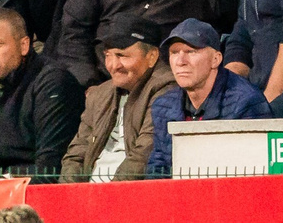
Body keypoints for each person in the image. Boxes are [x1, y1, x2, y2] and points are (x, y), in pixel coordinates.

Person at [145, 19, 268, 174]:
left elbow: (253, 172)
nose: (181, 61)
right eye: (174, 53)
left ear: (215, 59)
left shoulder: (245, 101)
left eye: (191, 52)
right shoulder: (163, 105)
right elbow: (158, 167)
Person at [60, 19, 165, 177]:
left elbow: (144, 154)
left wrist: (110, 195)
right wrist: (70, 194)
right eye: (108, 55)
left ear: (152, 56)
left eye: (122, 55)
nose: (113, 65)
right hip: (88, 194)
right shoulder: (100, 94)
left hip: (127, 194)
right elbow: (76, 154)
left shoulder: (165, 88)